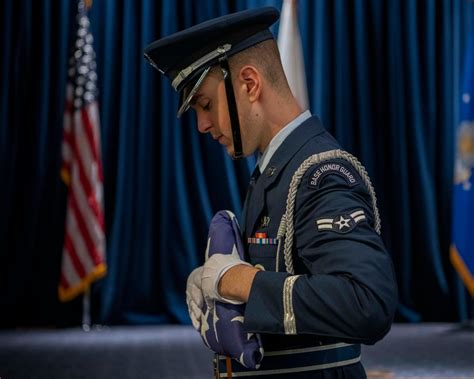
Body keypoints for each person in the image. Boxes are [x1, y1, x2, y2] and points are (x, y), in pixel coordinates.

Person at [144, 6, 398, 378]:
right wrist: (219, 287)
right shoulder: (276, 169)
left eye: (206, 104)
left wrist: (238, 281)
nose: (202, 124)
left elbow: (367, 303)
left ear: (249, 83)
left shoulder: (319, 173)